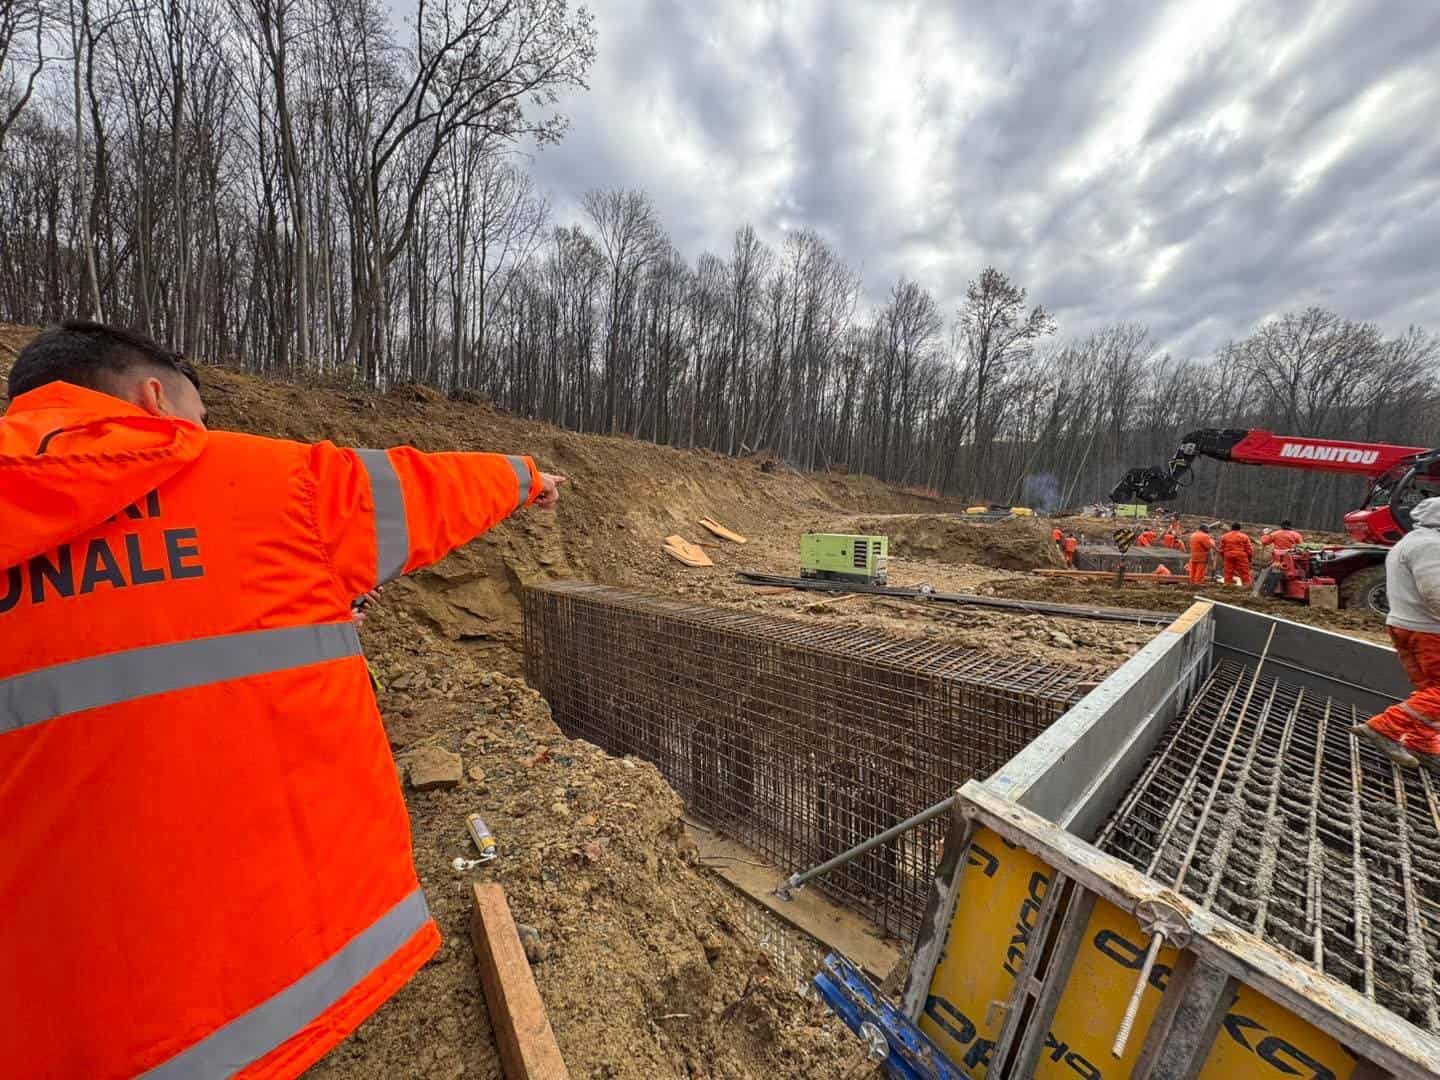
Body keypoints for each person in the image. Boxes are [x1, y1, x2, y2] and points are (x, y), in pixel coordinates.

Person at [0, 321, 564, 1077]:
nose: (204, 436)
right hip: (284, 989)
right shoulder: (269, 482)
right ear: (154, 397)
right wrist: (527, 476)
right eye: (201, 421)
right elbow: (431, 489)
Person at [1354, 497, 1440, 769]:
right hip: (1428, 631)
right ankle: (1385, 728)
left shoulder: (1407, 543)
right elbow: (1436, 592)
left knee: (1429, 691)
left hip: (1405, 625)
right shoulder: (1431, 546)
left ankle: (1422, 742)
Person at [1218, 523, 1255, 587]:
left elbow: (1221, 548)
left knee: (1228, 571)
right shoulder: (1245, 536)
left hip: (1228, 555)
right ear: (1240, 529)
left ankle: (1227, 584)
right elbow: (1249, 549)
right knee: (1244, 571)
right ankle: (1246, 585)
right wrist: (1250, 558)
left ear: (1231, 528)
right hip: (1241, 555)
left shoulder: (1224, 536)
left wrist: (1223, 556)